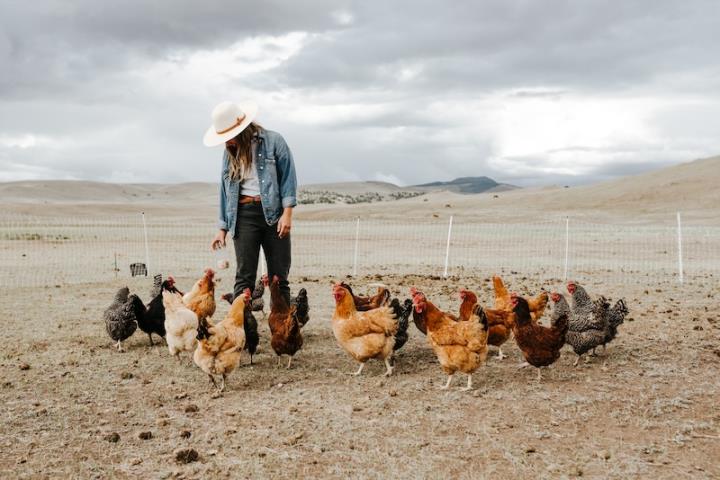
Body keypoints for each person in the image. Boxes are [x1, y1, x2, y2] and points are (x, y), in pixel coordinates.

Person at [204, 101, 297, 304]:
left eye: (230, 137)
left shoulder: (274, 141)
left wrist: (287, 213)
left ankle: (283, 333)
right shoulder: (229, 153)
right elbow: (224, 189)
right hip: (243, 216)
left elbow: (288, 177)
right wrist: (222, 228)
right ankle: (241, 332)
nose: (227, 143)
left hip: (274, 215)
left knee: (278, 278)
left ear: (243, 129)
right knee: (244, 278)